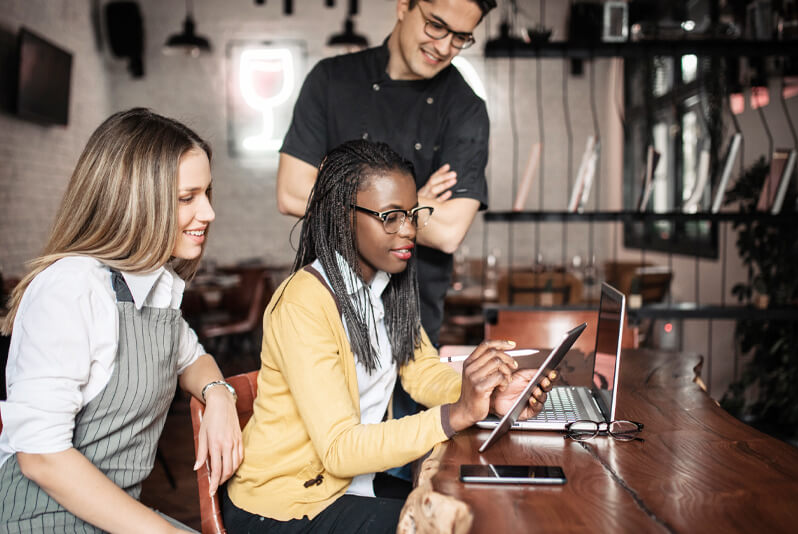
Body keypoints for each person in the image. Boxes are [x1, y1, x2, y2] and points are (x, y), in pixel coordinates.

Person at [223, 140, 555, 533]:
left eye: (413, 214)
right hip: (283, 505)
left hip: (350, 487)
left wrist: (485, 394)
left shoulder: (385, 287)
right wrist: (456, 414)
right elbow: (339, 450)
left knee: (475, 506)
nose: (409, 230)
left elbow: (423, 373)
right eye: (392, 217)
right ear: (343, 216)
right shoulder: (304, 303)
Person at [0, 108, 243, 533]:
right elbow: (40, 458)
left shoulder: (156, 285)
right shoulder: (72, 288)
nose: (208, 212)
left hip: (112, 517)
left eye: (206, 193)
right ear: (133, 198)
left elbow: (190, 359)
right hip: (41, 519)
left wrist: (219, 394)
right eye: (187, 198)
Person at [276, 0, 497, 346]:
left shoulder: (466, 109)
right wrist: (412, 208)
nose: (443, 47)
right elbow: (291, 192)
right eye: (436, 26)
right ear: (403, 6)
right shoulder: (331, 80)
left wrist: (336, 197)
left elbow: (449, 232)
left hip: (412, 328)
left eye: (460, 38)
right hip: (325, 316)